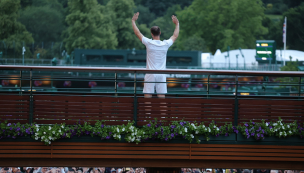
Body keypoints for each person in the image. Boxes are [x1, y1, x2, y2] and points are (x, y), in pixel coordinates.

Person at [131, 12, 179, 98]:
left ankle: (148, 112)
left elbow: (137, 32)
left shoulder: (148, 43)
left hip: (150, 74)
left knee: (148, 96)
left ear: (151, 34)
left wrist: (133, 21)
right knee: (161, 97)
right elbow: (175, 36)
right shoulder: (165, 44)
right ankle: (163, 112)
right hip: (161, 74)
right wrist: (177, 24)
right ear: (160, 33)